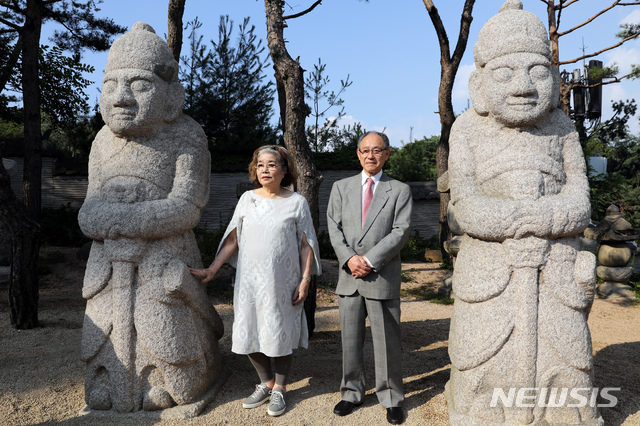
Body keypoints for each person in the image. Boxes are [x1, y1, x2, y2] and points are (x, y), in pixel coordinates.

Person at [445, 1, 600, 424]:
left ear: (551, 79)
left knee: (567, 353)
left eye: (536, 71)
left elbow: (580, 202)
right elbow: (468, 205)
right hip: (490, 268)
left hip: (557, 269)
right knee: (480, 354)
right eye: (504, 73)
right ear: (479, 86)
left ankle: (563, 409)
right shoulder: (468, 129)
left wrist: (538, 219)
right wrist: (518, 223)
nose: (523, 87)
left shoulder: (562, 128)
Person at [78, 22, 223, 413]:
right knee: (102, 328)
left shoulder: (187, 135)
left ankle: (166, 376)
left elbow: (188, 206)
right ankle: (109, 376)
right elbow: (88, 211)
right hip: (108, 262)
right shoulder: (102, 142)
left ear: (170, 96)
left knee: (164, 320)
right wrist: (113, 221)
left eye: (139, 85)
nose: (121, 98)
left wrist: (131, 219)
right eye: (111, 85)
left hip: (164, 257)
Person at [190, 145, 321, 417]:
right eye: (260, 165)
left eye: (272, 164)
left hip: (283, 283)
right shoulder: (248, 199)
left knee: (280, 333)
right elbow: (234, 238)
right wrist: (212, 269)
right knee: (248, 333)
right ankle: (266, 382)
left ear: (284, 170)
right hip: (249, 282)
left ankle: (281, 389)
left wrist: (306, 279)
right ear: (254, 169)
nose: (265, 169)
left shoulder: (297, 202)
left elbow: (306, 245)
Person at [327, 131, 413, 425]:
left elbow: (400, 232)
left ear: (387, 154)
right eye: (365, 150)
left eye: (377, 150)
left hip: (382, 275)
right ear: (358, 153)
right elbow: (333, 228)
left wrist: (370, 260)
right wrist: (350, 259)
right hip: (349, 276)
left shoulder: (399, 190)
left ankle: (391, 397)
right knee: (350, 340)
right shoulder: (341, 188)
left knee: (387, 342)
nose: (371, 155)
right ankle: (351, 392)